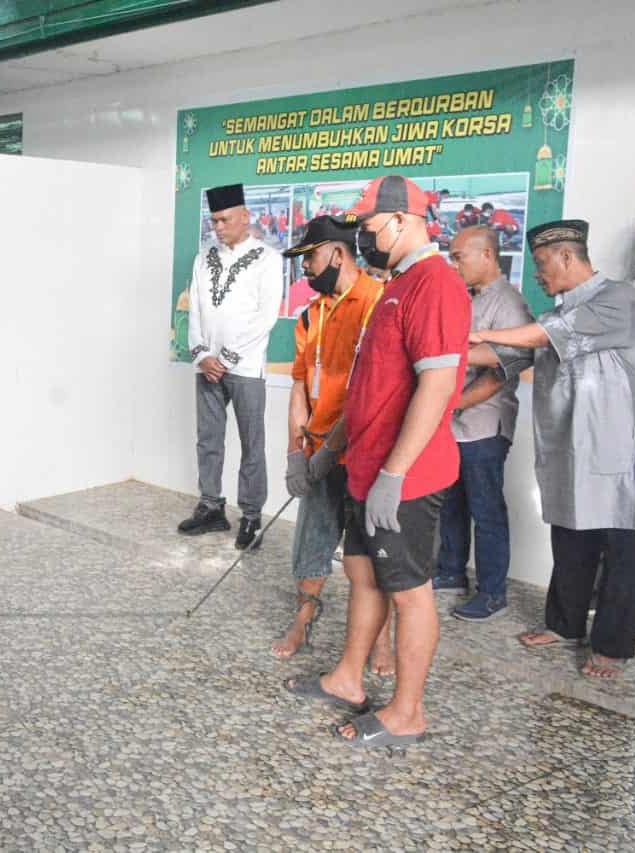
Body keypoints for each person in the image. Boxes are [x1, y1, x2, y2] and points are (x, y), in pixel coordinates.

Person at [285, 175, 469, 748]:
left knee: (410, 591)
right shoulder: (397, 283)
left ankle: (407, 712)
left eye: (367, 226)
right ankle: (347, 678)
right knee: (363, 573)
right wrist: (330, 452)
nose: (362, 236)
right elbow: (371, 389)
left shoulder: (434, 284)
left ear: (400, 221)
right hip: (365, 468)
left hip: (405, 478)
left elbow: (436, 387)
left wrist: (394, 474)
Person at [471, 220, 635, 681]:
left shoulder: (618, 298)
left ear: (567, 258)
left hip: (619, 455)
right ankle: (564, 625)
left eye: (543, 264)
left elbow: (536, 337)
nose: (539, 275)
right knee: (571, 539)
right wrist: (444, 351)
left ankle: (611, 646)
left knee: (624, 550)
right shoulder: (554, 315)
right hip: (570, 452)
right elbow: (505, 358)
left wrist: (477, 336)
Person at [275, 217, 391, 666]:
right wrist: (293, 453)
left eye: (310, 257)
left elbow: (371, 389)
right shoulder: (310, 315)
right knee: (311, 542)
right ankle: (302, 622)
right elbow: (301, 386)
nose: (304, 269)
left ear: (338, 255)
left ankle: (381, 641)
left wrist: (332, 451)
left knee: (372, 553)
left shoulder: (378, 303)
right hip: (317, 451)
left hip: (365, 453)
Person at [435, 227, 534, 621]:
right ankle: (450, 572)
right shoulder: (467, 298)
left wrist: (451, 402)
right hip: (456, 424)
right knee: (451, 505)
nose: (453, 264)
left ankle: (493, 592)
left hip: (484, 426)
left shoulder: (508, 302)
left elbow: (503, 368)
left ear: (488, 255)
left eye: (459, 257)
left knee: (486, 509)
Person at [179, 184, 284, 548]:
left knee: (251, 444)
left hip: (245, 368)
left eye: (224, 220)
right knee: (208, 440)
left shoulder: (268, 258)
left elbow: (266, 316)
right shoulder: (203, 256)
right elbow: (195, 309)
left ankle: (251, 515)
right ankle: (211, 507)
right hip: (207, 365)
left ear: (245, 217)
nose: (218, 228)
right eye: (214, 221)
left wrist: (227, 358)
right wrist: (201, 355)